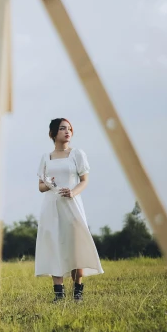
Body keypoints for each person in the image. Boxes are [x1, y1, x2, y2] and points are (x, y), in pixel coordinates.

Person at [36, 118, 104, 301]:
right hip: (51, 206)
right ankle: (58, 294)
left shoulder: (77, 154)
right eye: (62, 129)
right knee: (54, 246)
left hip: (72, 204)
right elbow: (41, 186)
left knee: (75, 246)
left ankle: (78, 292)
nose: (67, 132)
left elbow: (84, 180)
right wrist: (49, 184)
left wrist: (73, 192)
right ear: (53, 133)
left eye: (70, 129)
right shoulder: (46, 157)